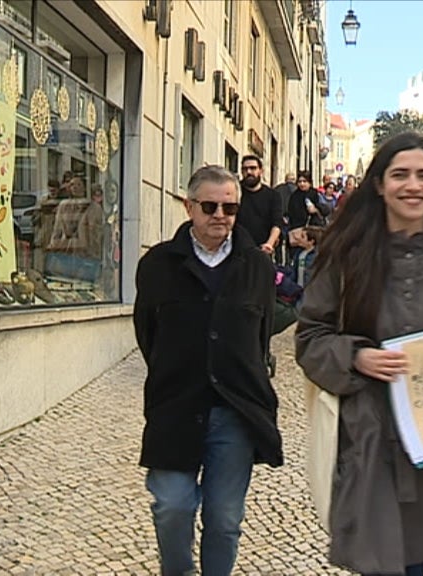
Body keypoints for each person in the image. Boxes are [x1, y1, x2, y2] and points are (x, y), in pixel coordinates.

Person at [295, 132, 423, 576]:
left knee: (413, 564)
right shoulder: (347, 257)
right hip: (367, 442)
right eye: (401, 175)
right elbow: (310, 337)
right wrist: (357, 357)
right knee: (379, 562)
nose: (414, 185)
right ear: (379, 184)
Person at [133, 165, 283, 576]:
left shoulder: (257, 266)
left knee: (224, 521)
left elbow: (261, 338)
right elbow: (148, 334)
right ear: (189, 207)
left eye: (230, 207)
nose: (220, 215)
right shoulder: (157, 265)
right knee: (172, 506)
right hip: (175, 406)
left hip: (234, 411)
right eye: (210, 206)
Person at [235, 154, 282, 255]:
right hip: (236, 249)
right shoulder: (234, 192)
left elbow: (277, 223)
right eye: (245, 169)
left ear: (261, 170)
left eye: (253, 168)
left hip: (262, 250)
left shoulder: (273, 196)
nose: (248, 172)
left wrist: (269, 244)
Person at [273, 172, 297, 265]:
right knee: (289, 241)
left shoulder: (278, 189)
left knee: (279, 240)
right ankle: (288, 261)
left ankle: (279, 261)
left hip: (280, 217)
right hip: (291, 218)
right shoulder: (297, 190)